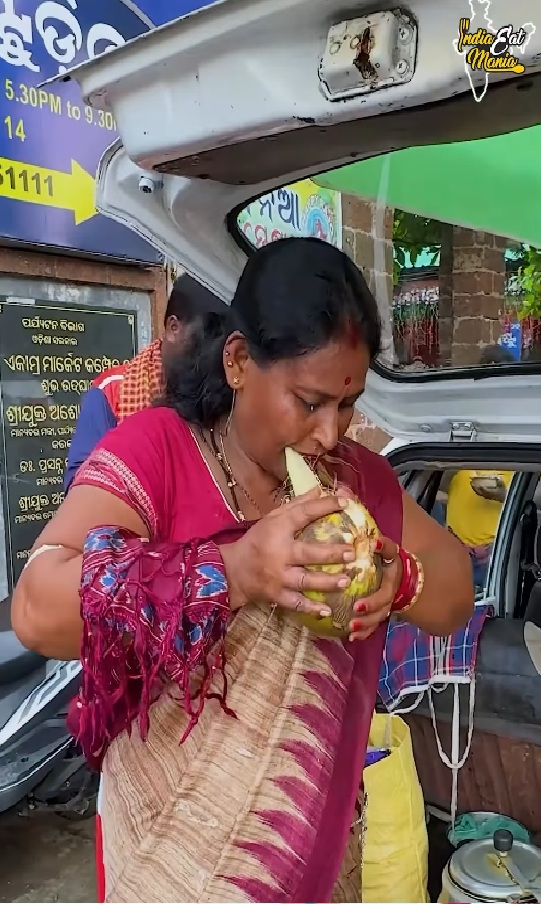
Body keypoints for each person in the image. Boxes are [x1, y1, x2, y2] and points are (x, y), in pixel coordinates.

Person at [12, 237, 474, 904]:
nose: (329, 433)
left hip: (312, 859)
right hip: (169, 864)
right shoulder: (158, 453)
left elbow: (453, 587)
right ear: (237, 362)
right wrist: (231, 570)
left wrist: (397, 580)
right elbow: (37, 605)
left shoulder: (357, 478)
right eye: (308, 401)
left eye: (347, 405)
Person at [64, 274, 223, 490]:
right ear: (173, 328)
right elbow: (81, 490)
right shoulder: (112, 391)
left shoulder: (222, 387)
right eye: (205, 340)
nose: (213, 354)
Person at [438, 344, 516, 590]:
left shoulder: (523, 431)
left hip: (497, 559)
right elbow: (439, 486)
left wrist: (504, 494)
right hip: (452, 554)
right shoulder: (464, 428)